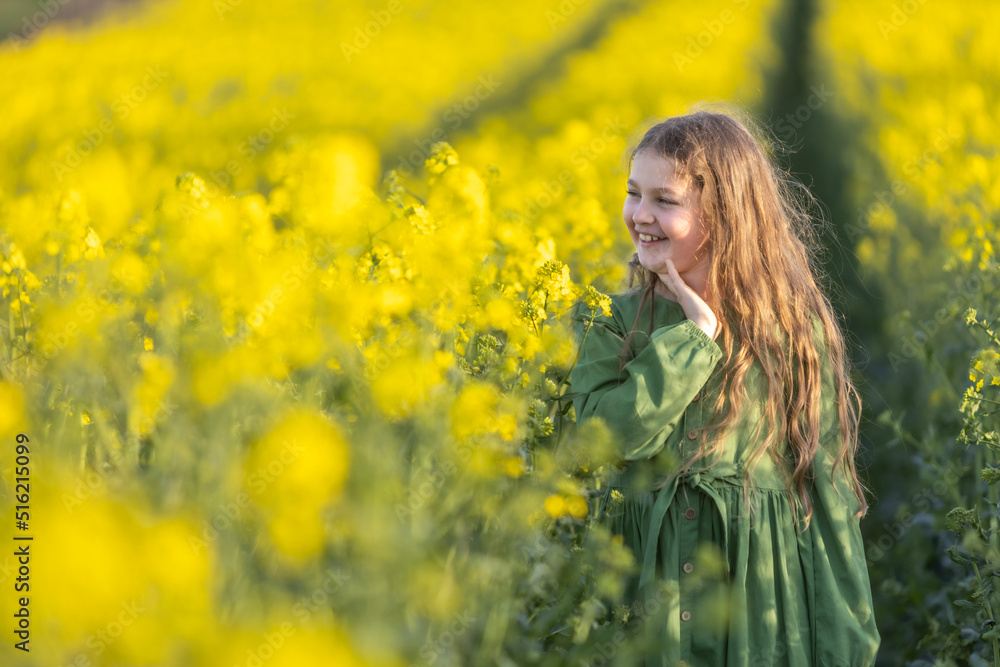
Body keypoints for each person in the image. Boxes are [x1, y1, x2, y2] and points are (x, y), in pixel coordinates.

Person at [567, 107, 881, 665]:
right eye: (634, 193)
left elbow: (827, 498)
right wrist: (695, 338)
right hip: (646, 602)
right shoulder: (612, 322)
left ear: (726, 215)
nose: (639, 214)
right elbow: (603, 439)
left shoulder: (790, 332)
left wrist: (847, 646)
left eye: (665, 200)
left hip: (761, 610)